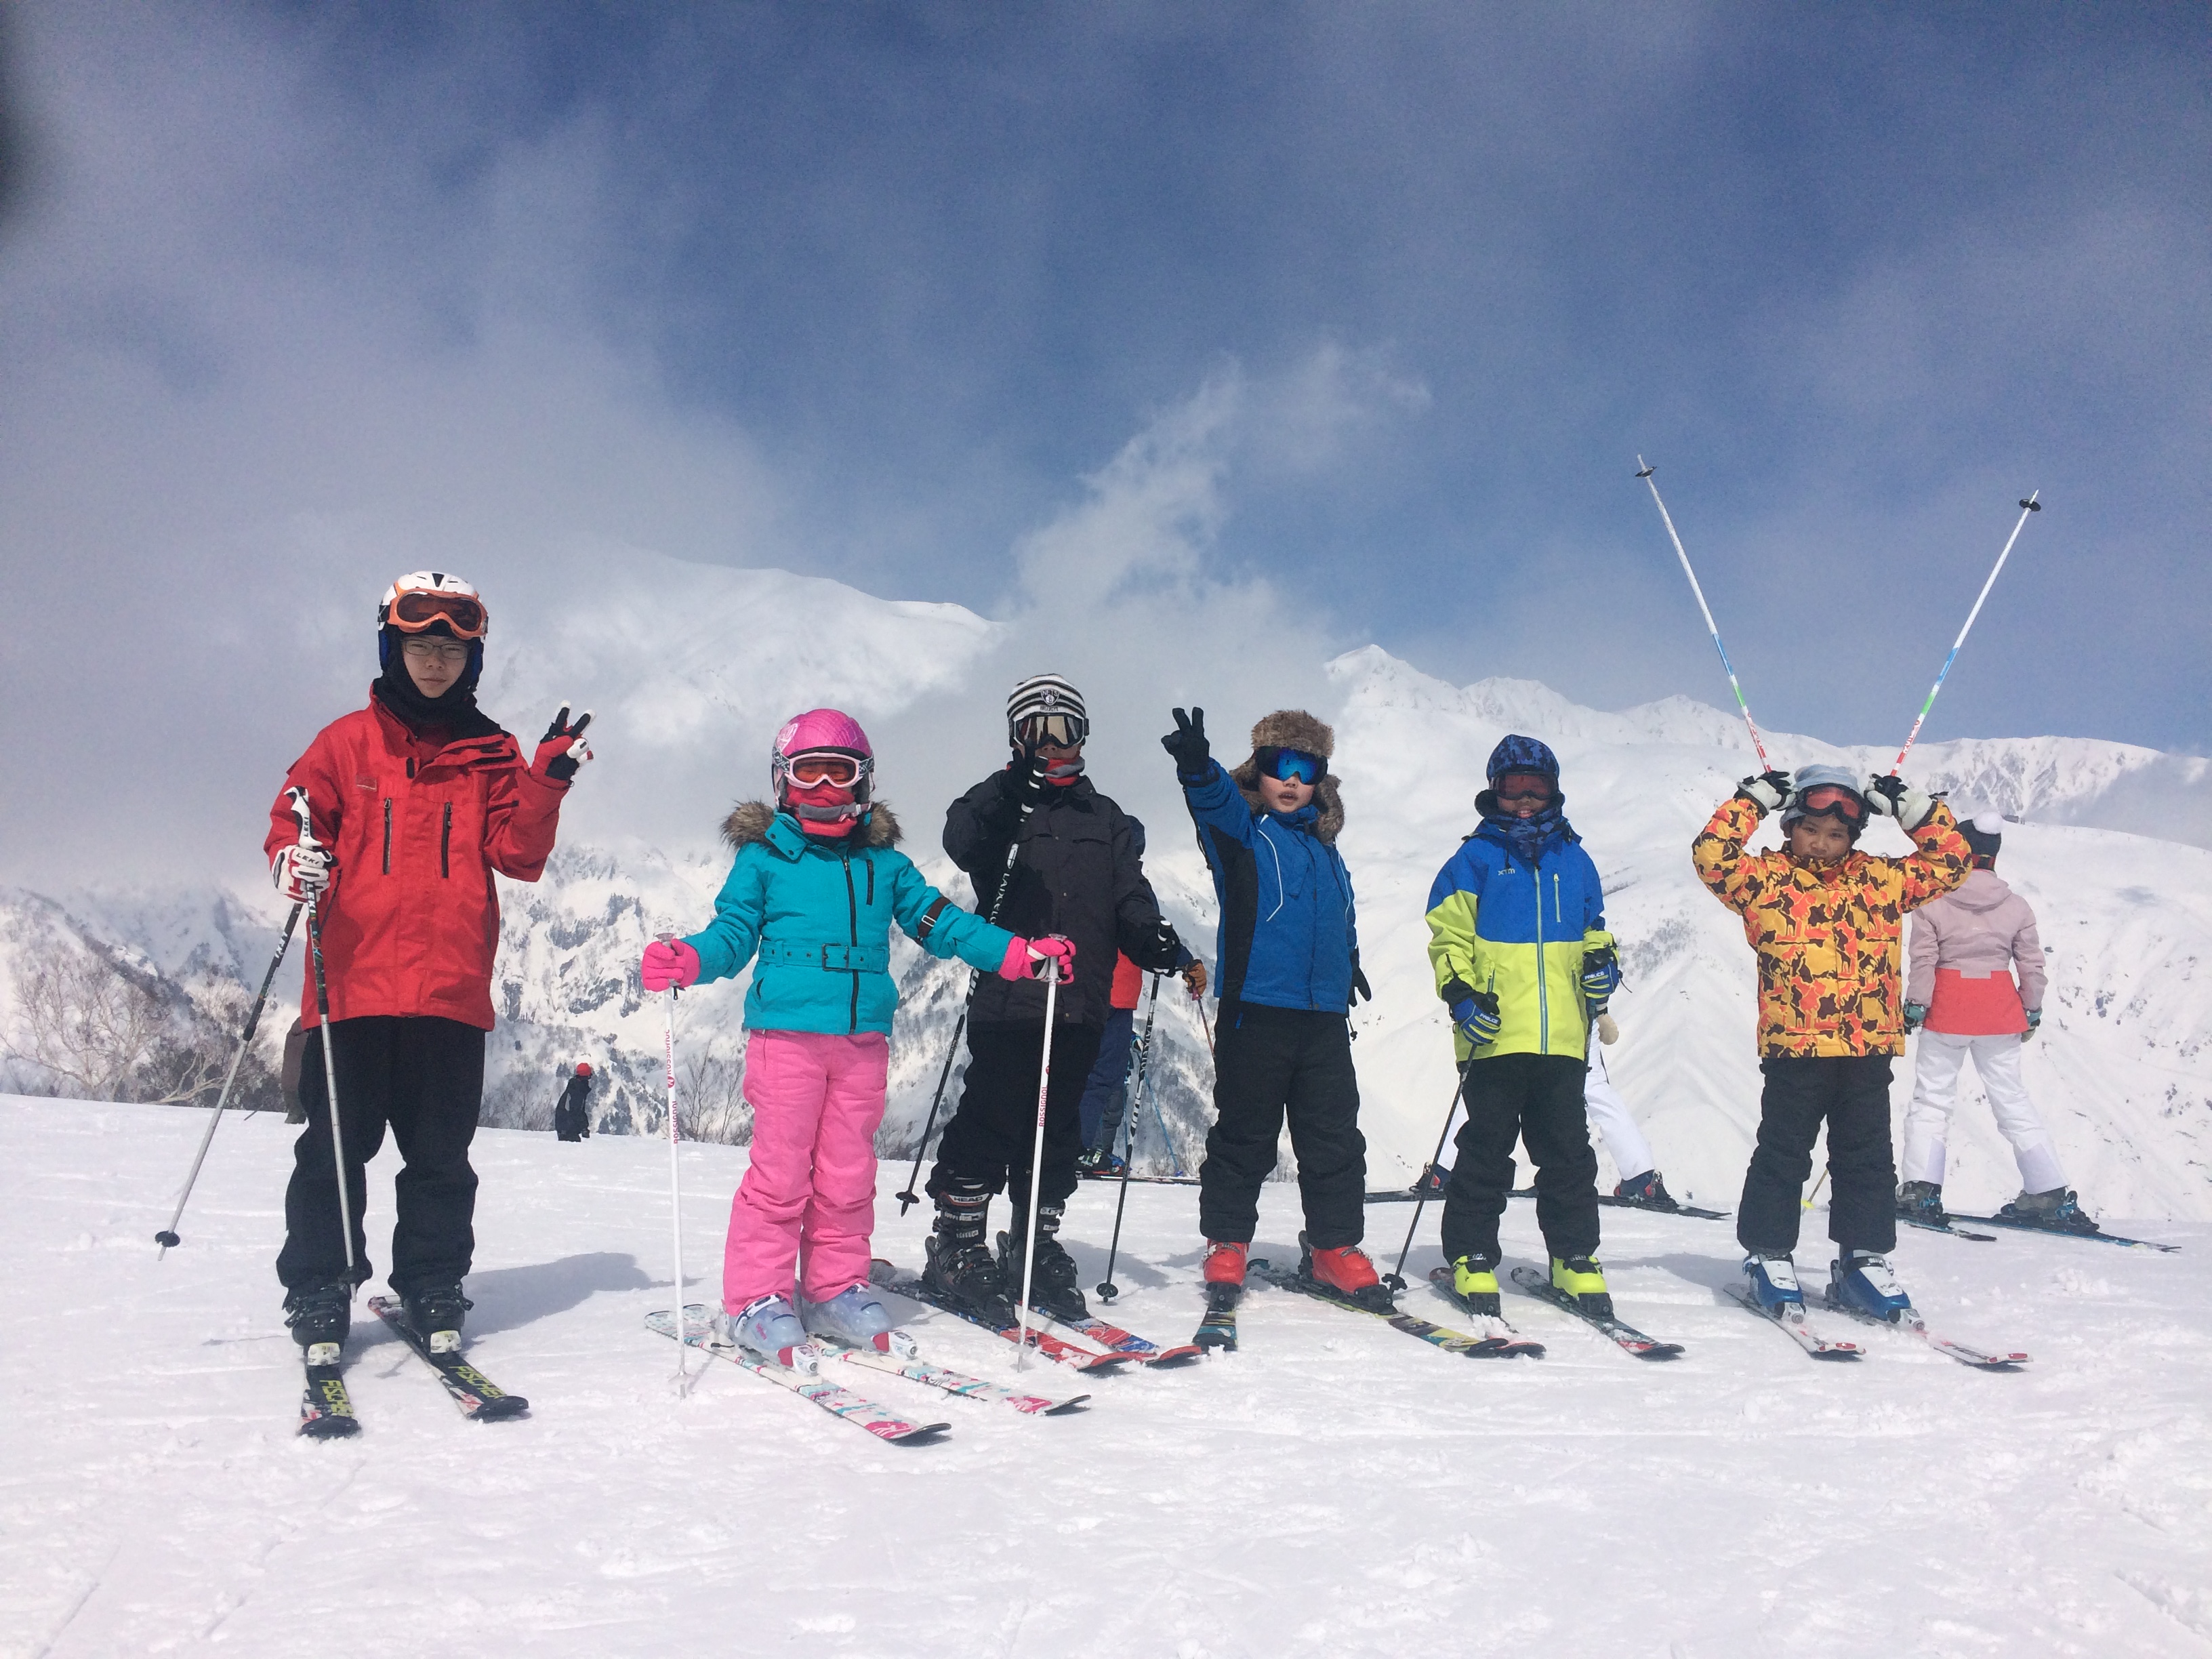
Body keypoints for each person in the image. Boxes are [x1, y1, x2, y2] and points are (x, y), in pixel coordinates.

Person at [638, 709, 1062, 1368]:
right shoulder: (764, 860)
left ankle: (835, 1287)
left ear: (864, 783)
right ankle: (757, 1299)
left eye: (842, 773)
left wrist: (1016, 955)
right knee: (781, 1175)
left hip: (862, 1041)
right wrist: (690, 960)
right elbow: (731, 934)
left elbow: (943, 924)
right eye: (811, 774)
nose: (827, 788)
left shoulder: (883, 865)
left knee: (847, 1174)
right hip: (787, 1040)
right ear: (784, 783)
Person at [269, 572, 591, 1358]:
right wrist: (293, 860)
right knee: (333, 1151)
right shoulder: (346, 742)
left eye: (452, 647)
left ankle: (431, 1281)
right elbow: (295, 819)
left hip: (449, 988)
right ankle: (319, 1283)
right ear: (393, 646)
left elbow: (516, 854)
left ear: (473, 656)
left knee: (441, 1156)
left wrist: (543, 781)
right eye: (422, 645)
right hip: (351, 984)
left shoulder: (491, 751)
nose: (436, 661)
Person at [923, 674, 1188, 1325]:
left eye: (1062, 728)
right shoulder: (1001, 807)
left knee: (1058, 1129)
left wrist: (1150, 936)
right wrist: (1012, 786)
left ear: (1084, 734)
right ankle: (957, 1245)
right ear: (1014, 738)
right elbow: (963, 842)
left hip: (1080, 1003)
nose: (1050, 744)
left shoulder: (1108, 819)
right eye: (1033, 731)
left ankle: (1033, 1243)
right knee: (991, 1116)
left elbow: (1129, 893)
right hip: (1010, 999)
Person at [1693, 762, 1970, 1320]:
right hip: (1795, 1048)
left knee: (1867, 1158)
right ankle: (1767, 1255)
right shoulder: (1764, 882)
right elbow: (1711, 855)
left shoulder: (1881, 880)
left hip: (1867, 1046)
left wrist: (1912, 808)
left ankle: (1862, 1261)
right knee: (1783, 1153)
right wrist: (1752, 800)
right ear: (1790, 825)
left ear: (1854, 836)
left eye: (1837, 834)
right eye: (1811, 830)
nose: (1822, 843)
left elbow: (1953, 861)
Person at [1162, 706, 1382, 1305]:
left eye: (1304, 768)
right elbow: (1214, 805)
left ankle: (1334, 1247)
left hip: (1322, 1018)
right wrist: (1197, 769)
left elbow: (1341, 918)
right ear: (1256, 772)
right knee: (1245, 1135)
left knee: (1333, 1139)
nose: (1289, 781)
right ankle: (1228, 1241)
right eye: (1276, 766)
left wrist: (1350, 962)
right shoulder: (1243, 836)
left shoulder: (1327, 851)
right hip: (1254, 1011)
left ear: (1321, 779)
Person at [1425, 736, 1620, 1319]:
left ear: (1555, 791)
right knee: (1486, 1150)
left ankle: (1574, 1257)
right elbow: (1448, 937)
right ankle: (1472, 1254)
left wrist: (1602, 966)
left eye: (1537, 789)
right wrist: (1460, 995)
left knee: (1568, 1155)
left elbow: (1594, 929)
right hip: (1495, 1033)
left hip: (1562, 1035)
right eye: (1514, 789)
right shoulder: (1474, 860)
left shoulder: (1575, 861)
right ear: (1495, 792)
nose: (1527, 801)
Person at [1898, 814, 2083, 1225]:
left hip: (1948, 1009)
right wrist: (2030, 1009)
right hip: (2000, 1012)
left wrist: (1915, 1005)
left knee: (1932, 1100)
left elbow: (1924, 960)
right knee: (2012, 1099)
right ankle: (2048, 1192)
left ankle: (1921, 1192)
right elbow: (2031, 965)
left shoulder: (1933, 900)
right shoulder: (2016, 906)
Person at [1412, 1017, 1681, 1210]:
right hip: (1572, 1018)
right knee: (1593, 1088)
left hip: (1515, 1017)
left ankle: (1443, 1172)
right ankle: (1641, 1178)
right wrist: (1600, 1011)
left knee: (1487, 1090)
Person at [553, 1063, 594, 1142]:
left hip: (565, 1126)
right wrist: (583, 1128)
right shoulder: (577, 1091)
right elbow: (576, 1112)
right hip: (567, 1128)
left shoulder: (575, 1087)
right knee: (573, 1150)